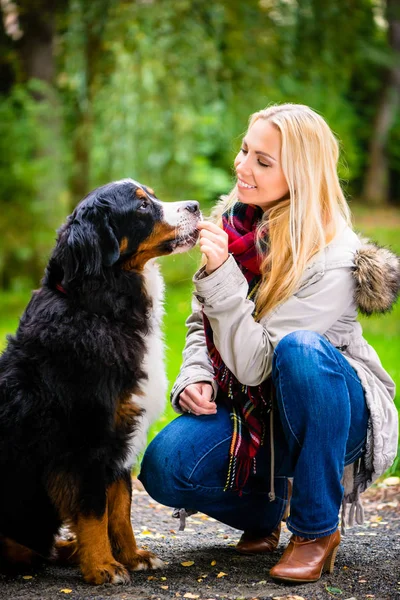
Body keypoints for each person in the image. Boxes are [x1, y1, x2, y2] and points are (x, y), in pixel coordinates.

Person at [139, 103, 399, 584]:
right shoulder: (235, 224)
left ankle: (316, 528)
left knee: (299, 348)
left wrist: (221, 279)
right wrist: (195, 375)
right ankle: (265, 510)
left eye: (263, 161)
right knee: (165, 467)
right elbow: (202, 326)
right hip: (257, 411)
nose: (243, 167)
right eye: (245, 150)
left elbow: (262, 364)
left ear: (300, 174)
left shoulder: (334, 257)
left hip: (334, 413)